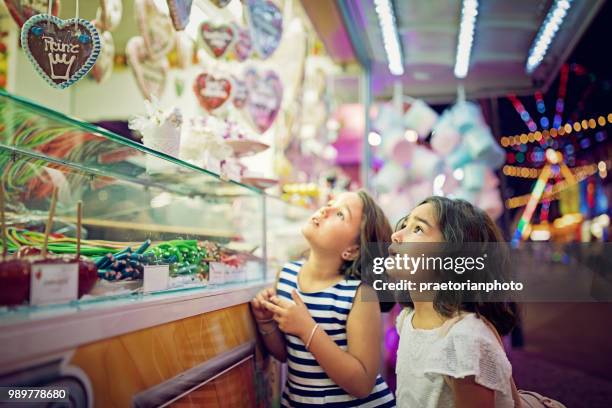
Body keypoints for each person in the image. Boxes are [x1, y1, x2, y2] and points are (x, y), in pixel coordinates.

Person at [251, 190, 396, 407]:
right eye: (330, 203)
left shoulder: (359, 294)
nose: (326, 209)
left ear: (353, 250)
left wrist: (306, 329)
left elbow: (362, 384)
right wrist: (266, 322)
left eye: (340, 214)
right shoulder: (287, 276)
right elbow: (287, 354)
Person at [391, 196, 518, 408]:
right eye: (404, 225)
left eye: (418, 229)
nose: (396, 235)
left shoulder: (465, 340)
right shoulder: (407, 320)